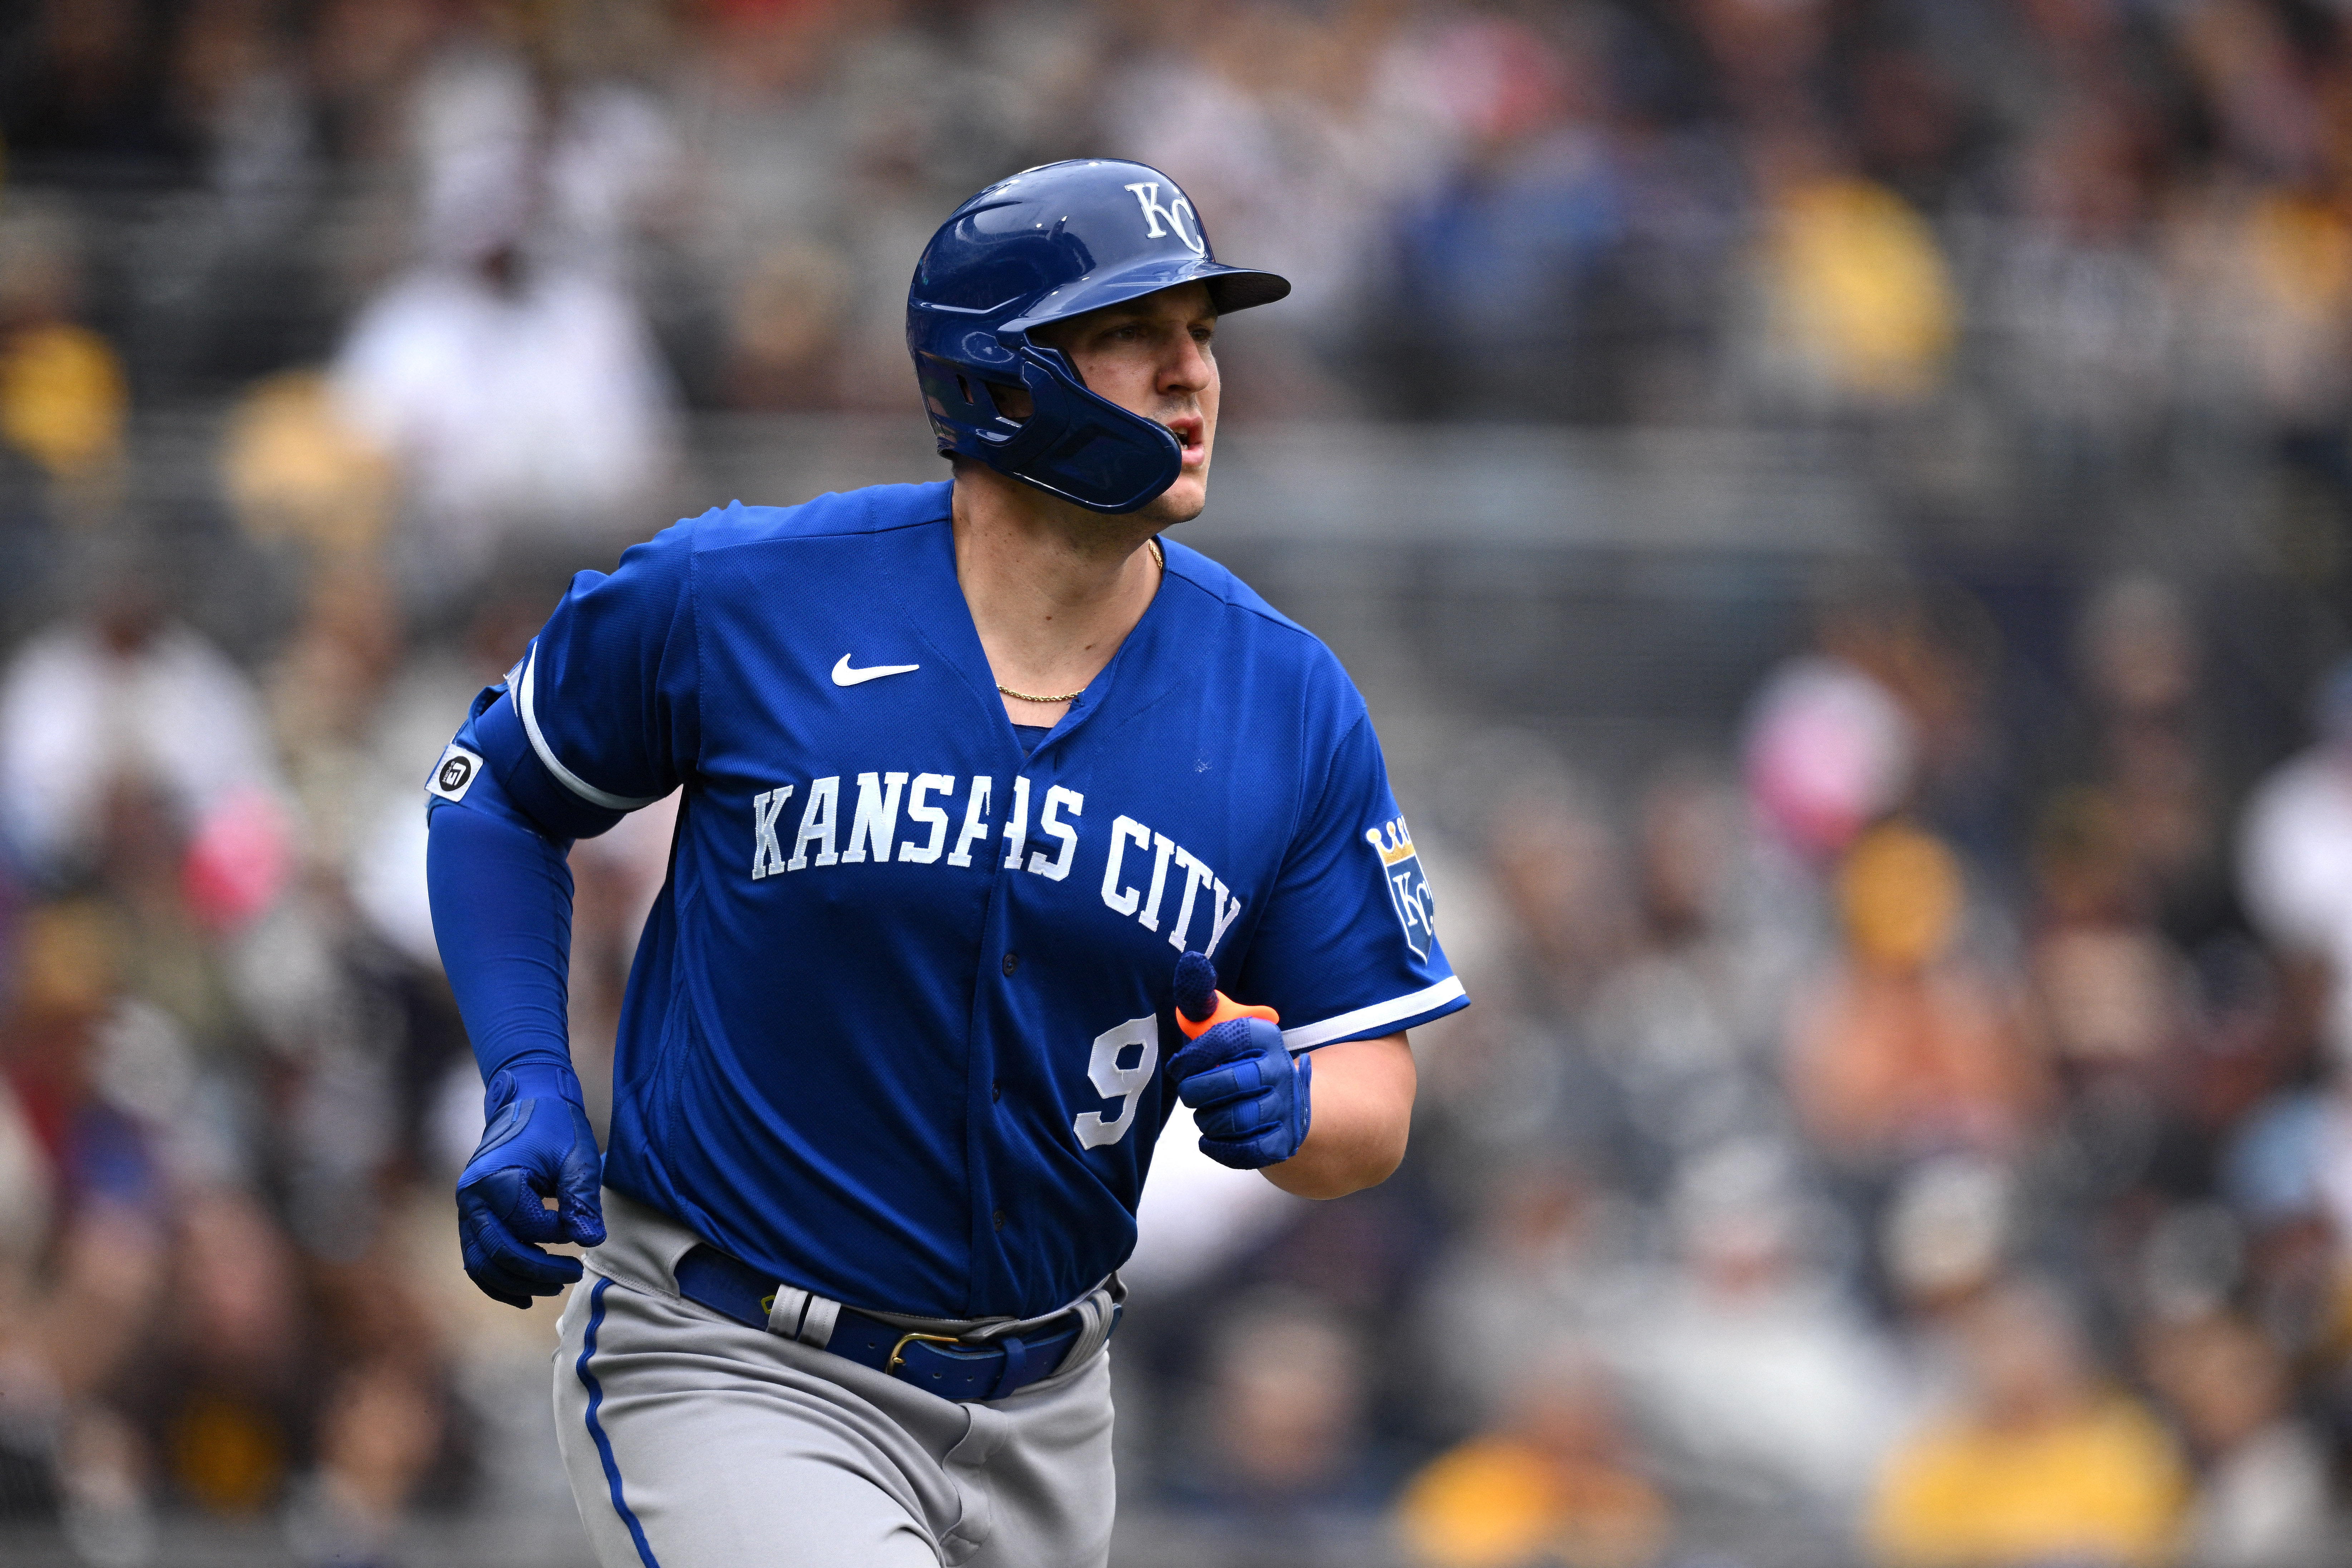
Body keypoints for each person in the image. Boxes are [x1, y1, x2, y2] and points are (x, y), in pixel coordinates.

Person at [422, 158, 1466, 1568]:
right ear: (1000, 377)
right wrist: (528, 1079)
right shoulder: (741, 596)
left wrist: (1292, 1105)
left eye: (1204, 334)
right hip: (736, 1355)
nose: (1189, 375)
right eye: (1130, 333)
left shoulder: (1284, 697)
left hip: (1050, 1405)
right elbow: (495, 797)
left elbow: (1374, 1091)